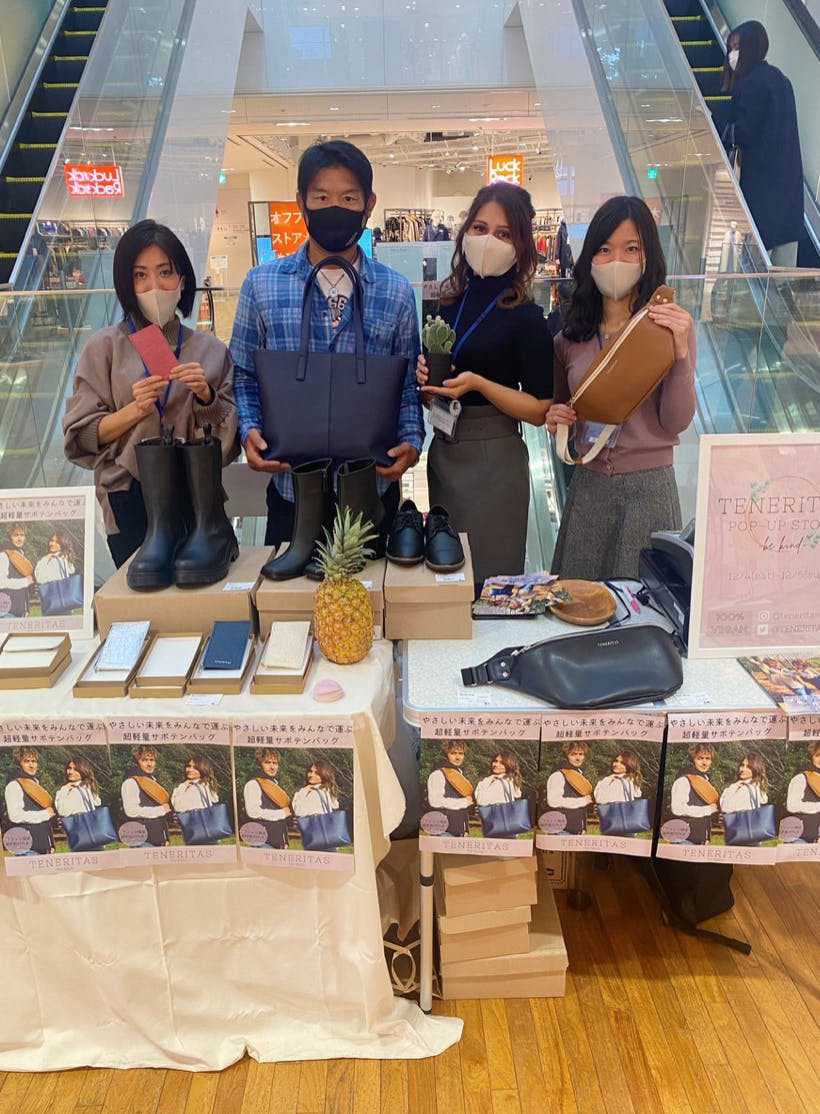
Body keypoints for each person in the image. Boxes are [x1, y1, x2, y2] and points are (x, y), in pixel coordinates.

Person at [230, 140, 424, 549]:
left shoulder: (395, 291)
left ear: (369, 204)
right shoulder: (262, 285)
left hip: (371, 489)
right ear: (301, 202)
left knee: (372, 590)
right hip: (291, 490)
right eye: (321, 197)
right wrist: (249, 429)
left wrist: (412, 440)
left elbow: (407, 384)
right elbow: (243, 374)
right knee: (289, 589)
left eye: (348, 198)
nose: (335, 207)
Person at [63, 220, 238, 567]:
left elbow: (228, 446)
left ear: (182, 279)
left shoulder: (211, 351)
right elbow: (80, 438)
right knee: (142, 591)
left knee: (199, 589)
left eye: (165, 272)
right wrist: (134, 410)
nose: (154, 286)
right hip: (129, 497)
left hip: (196, 499)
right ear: (126, 284)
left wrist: (206, 400)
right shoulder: (104, 348)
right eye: (140, 275)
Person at [545, 195, 696, 580]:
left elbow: (676, 422)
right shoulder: (569, 337)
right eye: (604, 249)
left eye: (631, 249)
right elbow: (566, 415)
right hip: (589, 489)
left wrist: (680, 357)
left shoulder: (669, 326)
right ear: (589, 258)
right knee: (579, 604)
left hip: (650, 491)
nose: (617, 260)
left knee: (642, 610)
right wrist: (557, 421)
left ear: (649, 256)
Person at [416, 182, 553, 586]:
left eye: (503, 233)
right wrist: (427, 382)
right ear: (465, 233)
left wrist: (478, 384)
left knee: (492, 581)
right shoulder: (445, 303)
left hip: (496, 460)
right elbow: (434, 395)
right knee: (448, 577)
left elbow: (540, 410)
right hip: (444, 448)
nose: (488, 240)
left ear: (521, 246)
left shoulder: (526, 318)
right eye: (479, 228)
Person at [714, 21, 804, 266]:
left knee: (755, 270)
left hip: (763, 196)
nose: (732, 55)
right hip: (789, 200)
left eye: (737, 48)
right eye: (730, 48)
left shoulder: (752, 84)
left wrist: (716, 120)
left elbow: (742, 133)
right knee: (784, 276)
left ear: (751, 48)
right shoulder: (781, 80)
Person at [3, 747, 55, 854]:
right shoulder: (14, 785)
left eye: (34, 761)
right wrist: (44, 814)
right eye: (27, 761)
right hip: (27, 848)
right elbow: (15, 816)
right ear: (19, 764)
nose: (31, 765)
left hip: (42, 846)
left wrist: (50, 843)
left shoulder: (35, 783)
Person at [54, 756, 110, 852]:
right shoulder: (88, 787)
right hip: (95, 837)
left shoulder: (76, 790)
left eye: (76, 769)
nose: (70, 772)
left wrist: (64, 789)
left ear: (83, 771)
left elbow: (62, 811)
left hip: (82, 838)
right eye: (69, 768)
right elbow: (97, 802)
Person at [120, 745, 171, 847]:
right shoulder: (131, 782)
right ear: (137, 762)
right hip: (142, 840)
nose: (149, 764)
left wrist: (165, 837)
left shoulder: (153, 780)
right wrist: (160, 810)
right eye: (144, 760)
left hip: (157, 839)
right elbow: (131, 811)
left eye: (152, 760)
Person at [242, 748, 291, 850]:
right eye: (267, 762)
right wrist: (281, 813)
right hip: (262, 843)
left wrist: (285, 840)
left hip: (277, 844)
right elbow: (253, 812)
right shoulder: (254, 784)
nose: (272, 767)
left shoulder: (274, 783)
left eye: (275, 763)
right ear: (260, 764)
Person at [670, 743, 719, 845]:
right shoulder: (684, 780)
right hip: (684, 839)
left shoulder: (705, 780)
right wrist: (707, 809)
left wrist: (706, 837)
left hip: (699, 840)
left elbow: (705, 817)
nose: (704, 762)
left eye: (708, 758)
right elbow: (677, 809)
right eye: (700, 758)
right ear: (692, 760)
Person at [719, 751, 770, 846]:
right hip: (753, 837)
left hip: (740, 836)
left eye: (748, 767)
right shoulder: (757, 787)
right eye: (742, 765)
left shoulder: (745, 789)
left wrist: (734, 786)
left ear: (755, 769)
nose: (743, 769)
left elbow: (725, 807)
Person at [426, 741, 474, 837]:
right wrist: (464, 802)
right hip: (443, 831)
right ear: (446, 754)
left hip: (457, 832)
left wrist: (465, 829)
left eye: (461, 753)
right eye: (453, 753)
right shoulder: (438, 774)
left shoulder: (459, 774)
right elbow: (435, 801)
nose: (458, 757)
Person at [546, 741, 593, 835]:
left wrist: (583, 827)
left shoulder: (579, 774)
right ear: (566, 755)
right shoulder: (558, 775)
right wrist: (582, 801)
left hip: (576, 831)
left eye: (581, 754)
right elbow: (553, 801)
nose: (578, 758)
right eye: (573, 754)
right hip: (561, 830)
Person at [785, 741, 820, 844]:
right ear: (811, 757)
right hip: (798, 837)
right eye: (818, 755)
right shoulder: (801, 777)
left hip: (815, 839)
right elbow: (792, 805)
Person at [0, 523, 34, 618]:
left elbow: (24, 590)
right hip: (7, 612)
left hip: (20, 612)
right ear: (10, 537)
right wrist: (25, 581)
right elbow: (1, 583)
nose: (19, 539)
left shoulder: (21, 555)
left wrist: (26, 609)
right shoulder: (4, 555)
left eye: (22, 535)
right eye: (16, 535)